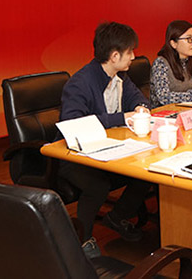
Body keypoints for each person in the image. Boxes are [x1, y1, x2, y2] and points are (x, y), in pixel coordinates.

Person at [59, 22, 152, 256]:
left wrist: (140, 108)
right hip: (75, 156)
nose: (133, 57)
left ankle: (117, 217)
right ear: (114, 56)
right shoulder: (80, 83)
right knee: (98, 186)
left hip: (108, 149)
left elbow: (138, 99)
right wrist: (121, 117)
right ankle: (83, 241)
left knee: (146, 171)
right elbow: (73, 123)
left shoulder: (121, 77)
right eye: (130, 52)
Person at [150, 20, 192, 107]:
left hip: (190, 109)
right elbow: (164, 97)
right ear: (173, 43)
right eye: (189, 39)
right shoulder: (161, 63)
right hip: (167, 112)